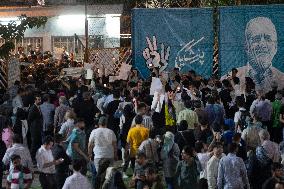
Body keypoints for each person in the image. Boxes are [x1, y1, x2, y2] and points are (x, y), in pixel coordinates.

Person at [236, 17, 284, 91]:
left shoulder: (282, 79)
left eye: (268, 39)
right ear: (246, 46)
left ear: (275, 47)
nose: (262, 45)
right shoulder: (232, 78)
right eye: (256, 39)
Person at [27, 95, 43, 162]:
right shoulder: (33, 108)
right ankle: (32, 158)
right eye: (38, 99)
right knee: (34, 144)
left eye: (40, 99)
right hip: (34, 129)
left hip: (38, 128)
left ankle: (37, 157)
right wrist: (32, 126)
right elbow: (29, 119)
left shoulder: (38, 107)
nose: (40, 101)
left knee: (38, 143)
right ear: (35, 100)